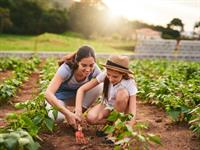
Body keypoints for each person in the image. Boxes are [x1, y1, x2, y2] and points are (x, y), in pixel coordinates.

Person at [45, 45, 102, 129]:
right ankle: (67, 114)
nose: (88, 69)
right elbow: (48, 93)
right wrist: (67, 114)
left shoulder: (94, 69)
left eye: (91, 65)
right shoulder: (66, 69)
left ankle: (77, 117)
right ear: (77, 62)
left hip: (77, 98)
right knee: (58, 118)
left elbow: (107, 82)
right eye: (84, 65)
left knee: (99, 85)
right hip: (60, 98)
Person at [75, 55, 137, 127]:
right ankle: (110, 123)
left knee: (122, 93)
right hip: (108, 105)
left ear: (123, 74)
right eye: (108, 75)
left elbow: (132, 110)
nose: (110, 79)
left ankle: (115, 125)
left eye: (115, 76)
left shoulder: (129, 82)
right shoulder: (105, 74)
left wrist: (129, 126)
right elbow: (82, 89)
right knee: (91, 118)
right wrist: (78, 110)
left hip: (122, 111)